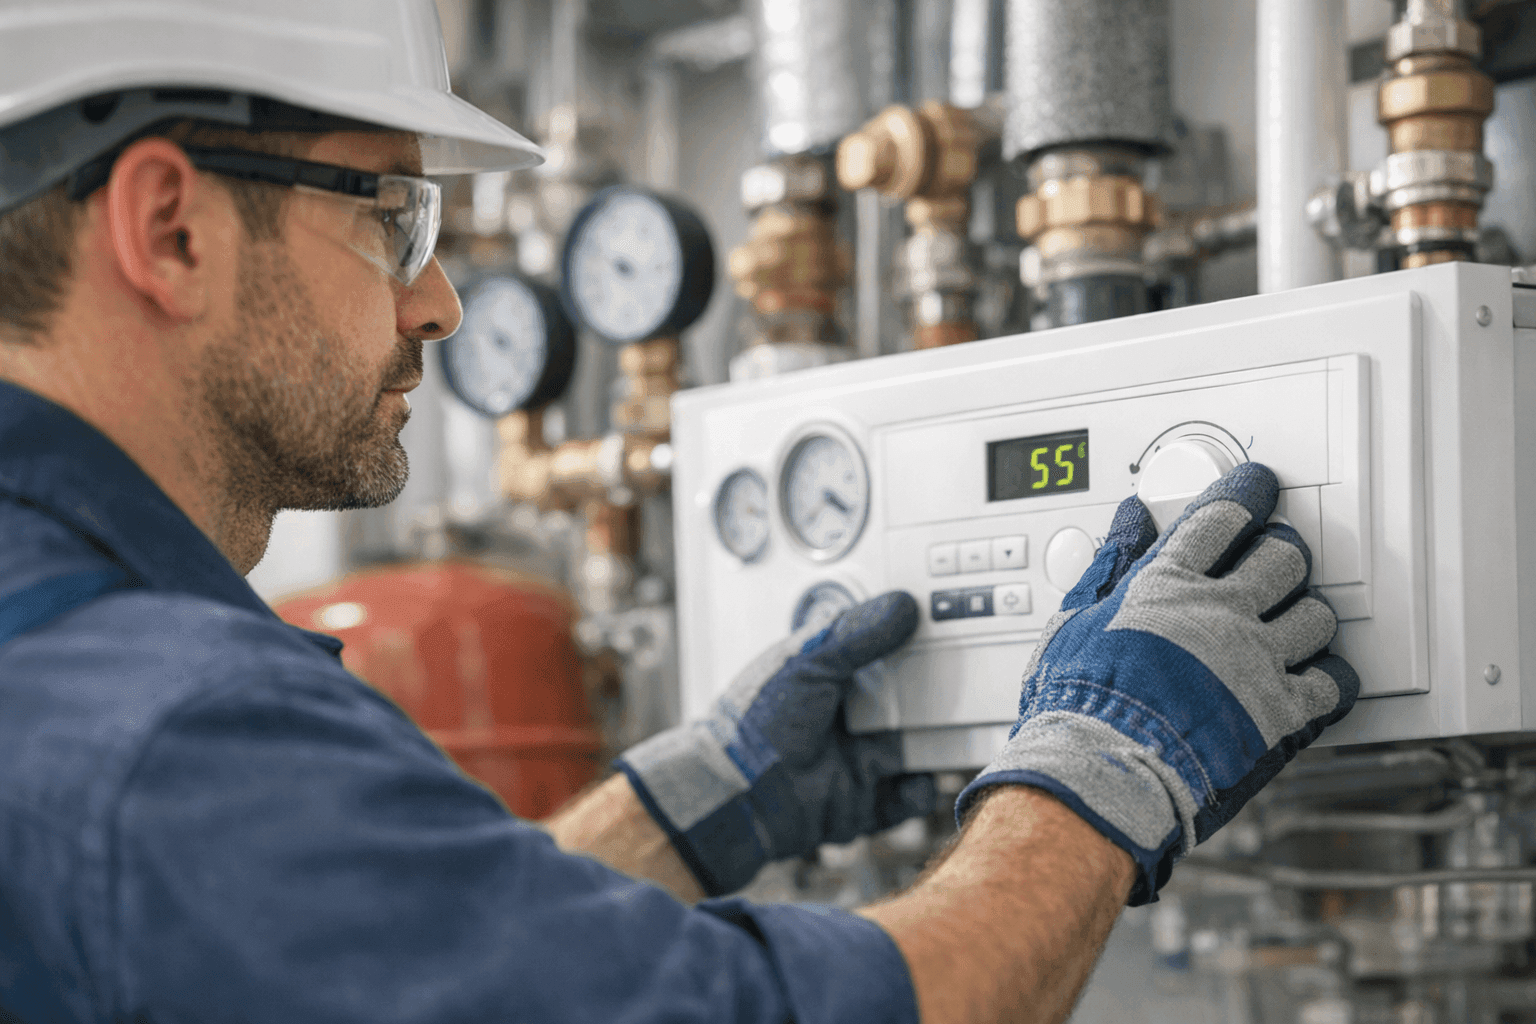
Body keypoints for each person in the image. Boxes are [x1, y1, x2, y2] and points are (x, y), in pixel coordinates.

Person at [0, 3, 1361, 1021]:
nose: (439, 306)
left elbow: (427, 974)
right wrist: (1102, 770)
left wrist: (694, 801)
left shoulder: (61, 654)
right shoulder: (155, 723)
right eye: (393, 221)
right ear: (169, 225)